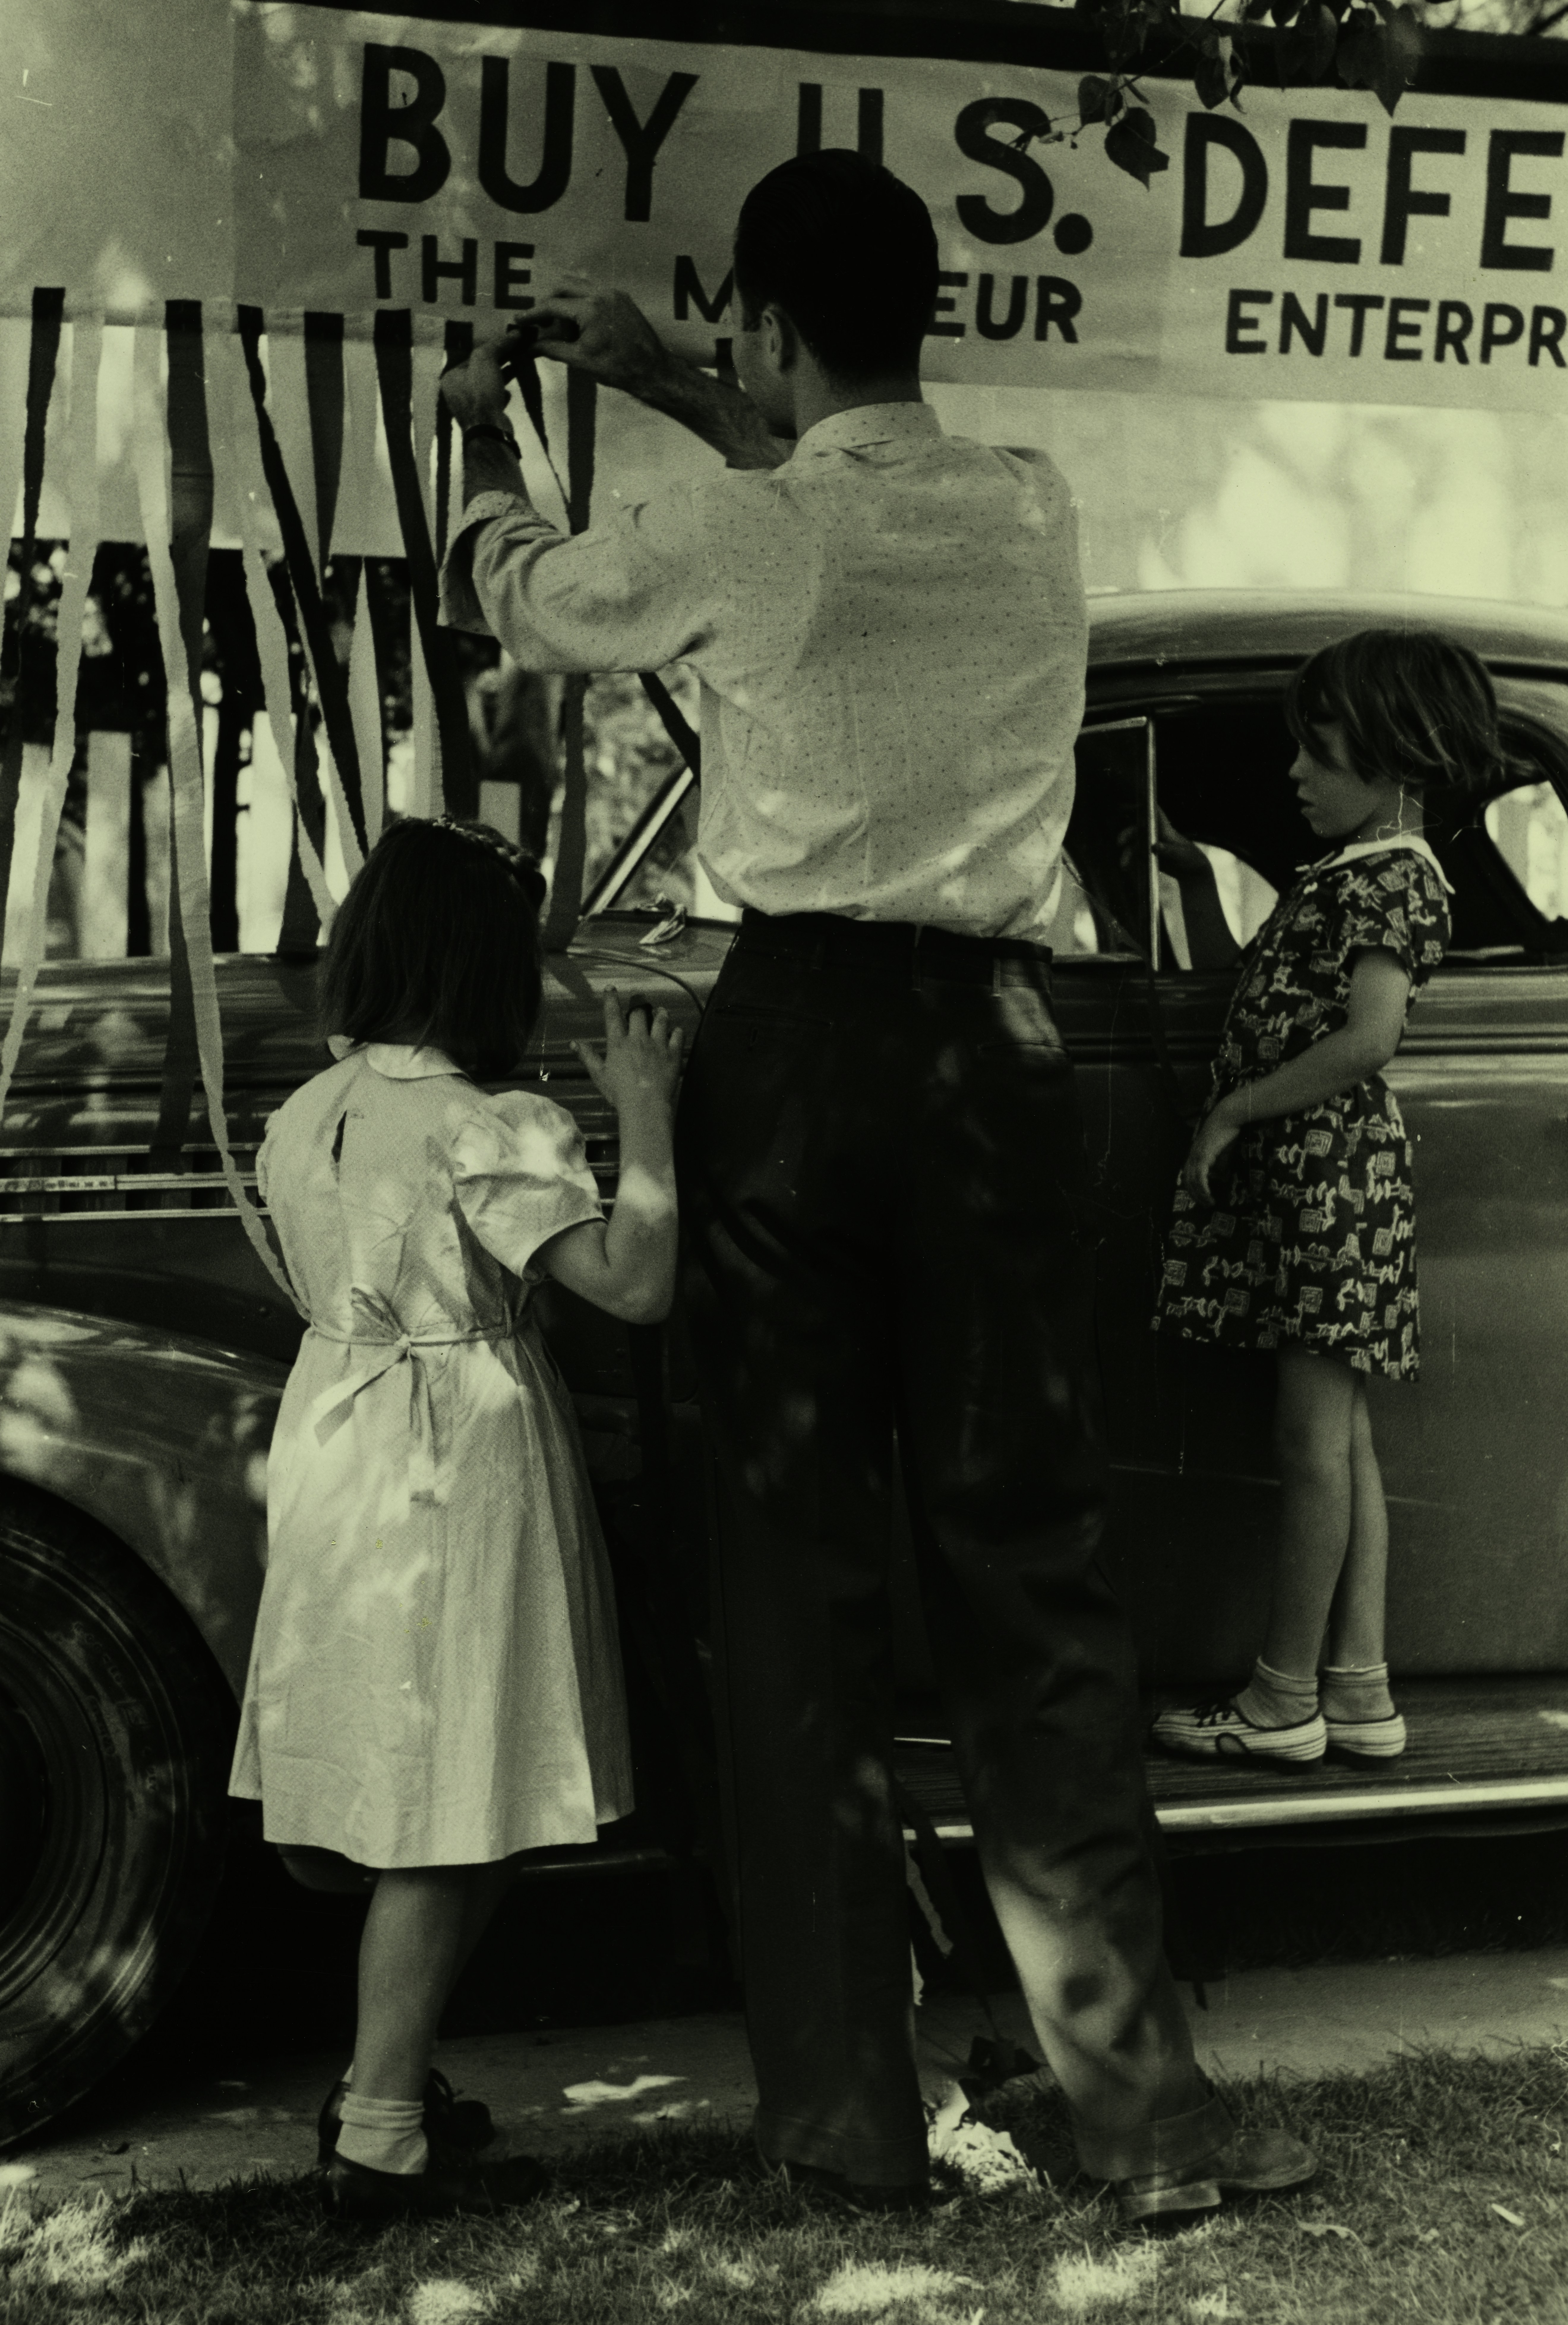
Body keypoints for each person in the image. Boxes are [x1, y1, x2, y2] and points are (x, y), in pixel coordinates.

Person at [438, 147, 1314, 2228]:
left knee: (789, 1593)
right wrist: (700, 369)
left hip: (798, 1053)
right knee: (1035, 1577)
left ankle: (847, 2127)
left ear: (756, 321)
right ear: (929, 312)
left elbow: (543, 594)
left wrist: (492, 445)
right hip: (1002, 1061)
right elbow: (838, 476)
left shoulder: (735, 527)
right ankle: (1141, 2118)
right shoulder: (1028, 503)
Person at [228, 816, 683, 2220]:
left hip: (340, 1429)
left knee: (439, 1784)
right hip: (457, 1450)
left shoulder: (313, 1110)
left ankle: (389, 2076)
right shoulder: (493, 1123)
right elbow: (633, 1281)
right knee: (453, 1800)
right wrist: (648, 1106)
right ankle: (378, 2131)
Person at [1150, 629, 1504, 1768]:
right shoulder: (1354, 877)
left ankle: (1279, 1699)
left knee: (1309, 1445)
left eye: (1321, 748)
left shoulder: (1394, 879)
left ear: (1398, 755)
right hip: (1320, 1183)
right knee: (1341, 1442)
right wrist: (1193, 877)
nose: (1295, 772)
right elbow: (1267, 997)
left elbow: (1368, 1036)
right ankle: (1357, 1687)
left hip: (1327, 1182)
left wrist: (1235, 1110)